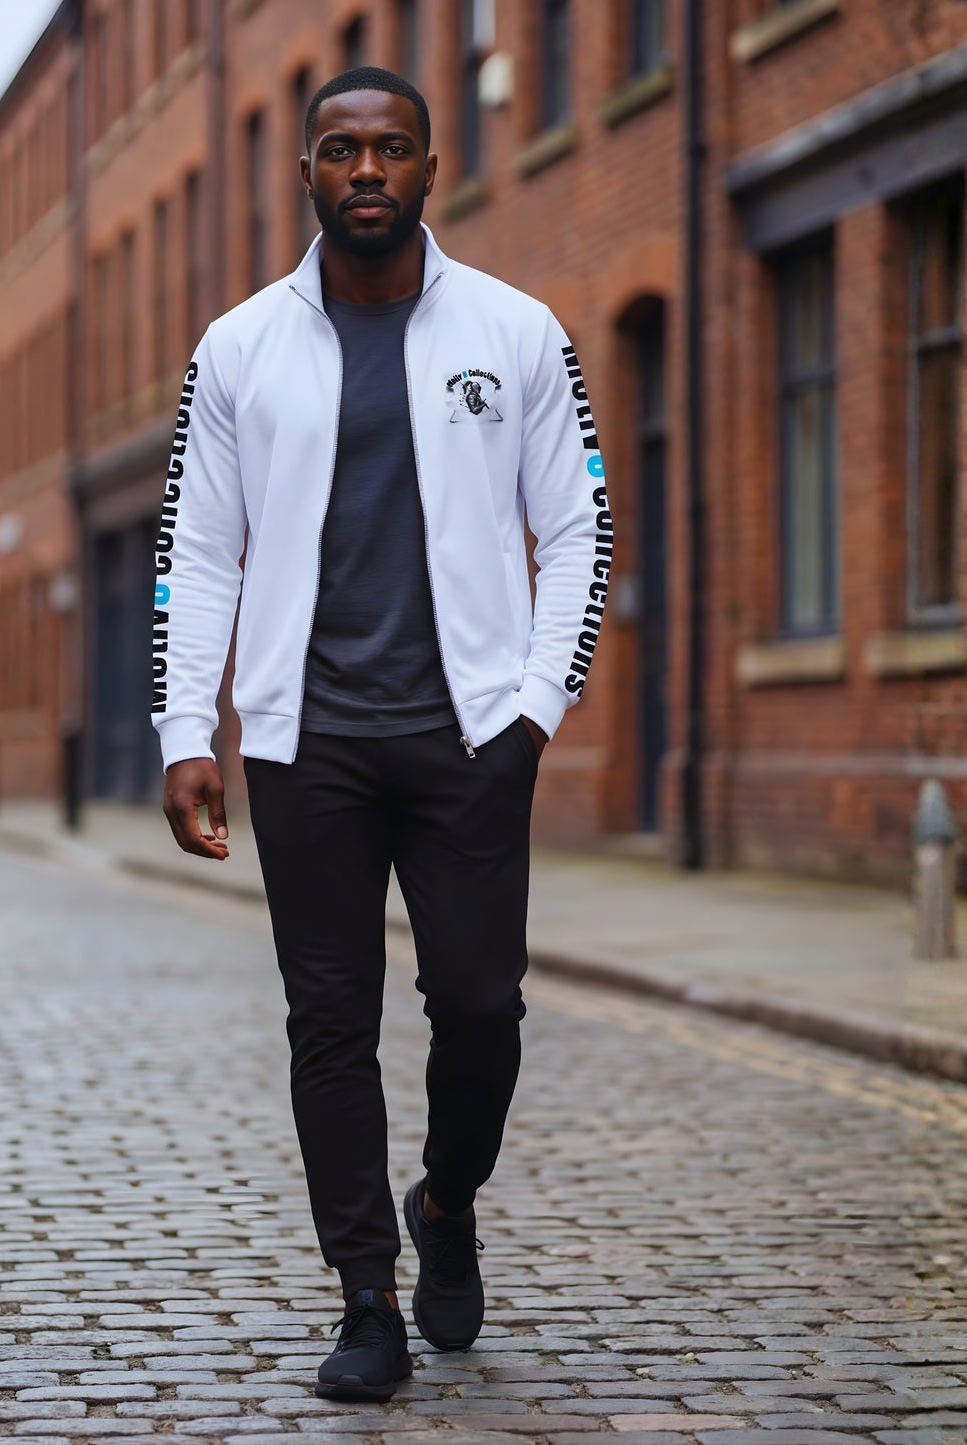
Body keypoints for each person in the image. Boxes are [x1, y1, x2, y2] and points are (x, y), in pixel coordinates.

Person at [153, 66, 612, 1402]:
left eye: (390, 151)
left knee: (479, 1006)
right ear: (304, 174)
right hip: (311, 744)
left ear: (428, 171)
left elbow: (579, 526)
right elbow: (200, 550)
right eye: (339, 151)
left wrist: (535, 707)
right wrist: (191, 726)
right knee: (327, 1021)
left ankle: (447, 1197)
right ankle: (365, 1300)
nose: (365, 171)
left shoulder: (518, 332)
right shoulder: (237, 349)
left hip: (471, 736)